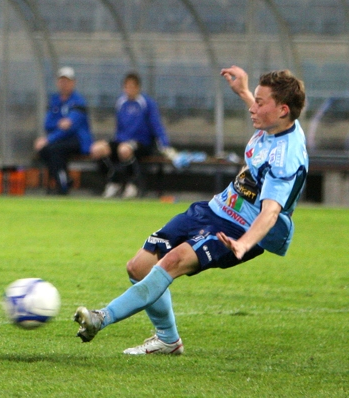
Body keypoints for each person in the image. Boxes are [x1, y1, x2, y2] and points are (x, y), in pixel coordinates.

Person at [73, 65, 307, 355]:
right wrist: (245, 92)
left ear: (282, 109)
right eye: (254, 100)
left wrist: (243, 244)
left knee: (172, 261)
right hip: (213, 209)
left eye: (259, 103)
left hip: (238, 231)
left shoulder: (286, 158)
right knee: (138, 267)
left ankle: (101, 317)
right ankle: (168, 341)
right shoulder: (275, 123)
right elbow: (264, 114)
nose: (252, 109)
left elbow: (270, 213)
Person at [90, 72, 175, 199]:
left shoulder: (146, 103)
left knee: (124, 149)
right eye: (126, 86)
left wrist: (165, 145)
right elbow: (119, 127)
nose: (129, 90)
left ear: (138, 87)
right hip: (121, 141)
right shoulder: (120, 103)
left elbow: (156, 125)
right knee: (97, 149)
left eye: (132, 86)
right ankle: (113, 182)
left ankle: (132, 184)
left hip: (141, 143)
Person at [34, 66, 93, 195]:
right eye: (61, 81)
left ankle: (62, 186)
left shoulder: (78, 102)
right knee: (45, 150)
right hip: (60, 139)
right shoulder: (55, 100)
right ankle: (64, 179)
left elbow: (70, 128)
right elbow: (48, 124)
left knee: (54, 149)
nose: (64, 84)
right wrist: (59, 124)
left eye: (67, 81)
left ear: (73, 82)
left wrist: (48, 139)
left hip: (78, 140)